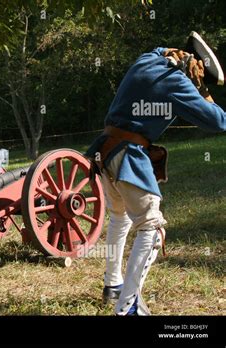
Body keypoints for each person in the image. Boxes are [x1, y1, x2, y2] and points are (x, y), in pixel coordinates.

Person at [85, 31, 226, 315]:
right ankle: (128, 308)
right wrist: (204, 94)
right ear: (194, 67)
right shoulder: (176, 80)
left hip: (106, 151)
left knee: (120, 217)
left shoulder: (148, 58)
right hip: (128, 156)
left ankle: (113, 285)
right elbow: (218, 121)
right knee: (152, 229)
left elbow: (163, 49)